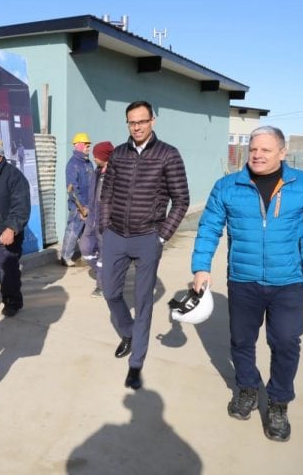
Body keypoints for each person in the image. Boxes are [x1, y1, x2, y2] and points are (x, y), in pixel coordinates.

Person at [191, 126, 303, 442]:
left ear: (282, 152)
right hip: (243, 280)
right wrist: (201, 267)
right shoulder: (228, 186)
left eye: (265, 149)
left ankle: (278, 403)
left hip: (288, 282)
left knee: (286, 342)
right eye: (253, 149)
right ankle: (247, 388)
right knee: (241, 340)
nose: (257, 155)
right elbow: (209, 227)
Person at [99, 101, 189, 390]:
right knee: (111, 292)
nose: (136, 127)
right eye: (131, 122)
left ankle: (136, 362)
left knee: (143, 302)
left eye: (142, 121)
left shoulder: (168, 155)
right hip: (115, 235)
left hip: (147, 237)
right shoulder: (119, 154)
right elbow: (107, 193)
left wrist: (162, 235)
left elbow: (181, 199)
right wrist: (103, 228)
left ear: (153, 120)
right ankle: (127, 332)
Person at [0, 137, 31, 317]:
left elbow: (21, 206)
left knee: (7, 275)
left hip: (2, 238)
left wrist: (11, 228)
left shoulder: (13, 176)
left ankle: (12, 302)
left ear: (0, 156)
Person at [80, 141, 114, 297]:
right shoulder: (97, 172)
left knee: (104, 254)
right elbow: (92, 194)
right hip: (92, 218)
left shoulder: (115, 174)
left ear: (104, 156)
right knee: (85, 247)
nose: (94, 158)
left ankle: (102, 284)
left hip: (106, 220)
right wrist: (87, 208)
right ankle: (106, 273)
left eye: (96, 155)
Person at [60, 132, 93, 266]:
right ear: (76, 145)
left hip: (89, 204)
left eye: (88, 145)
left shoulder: (88, 163)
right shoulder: (73, 165)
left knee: (88, 231)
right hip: (78, 205)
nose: (88, 147)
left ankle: (87, 254)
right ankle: (65, 257)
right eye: (85, 144)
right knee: (73, 230)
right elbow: (72, 188)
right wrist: (81, 207)